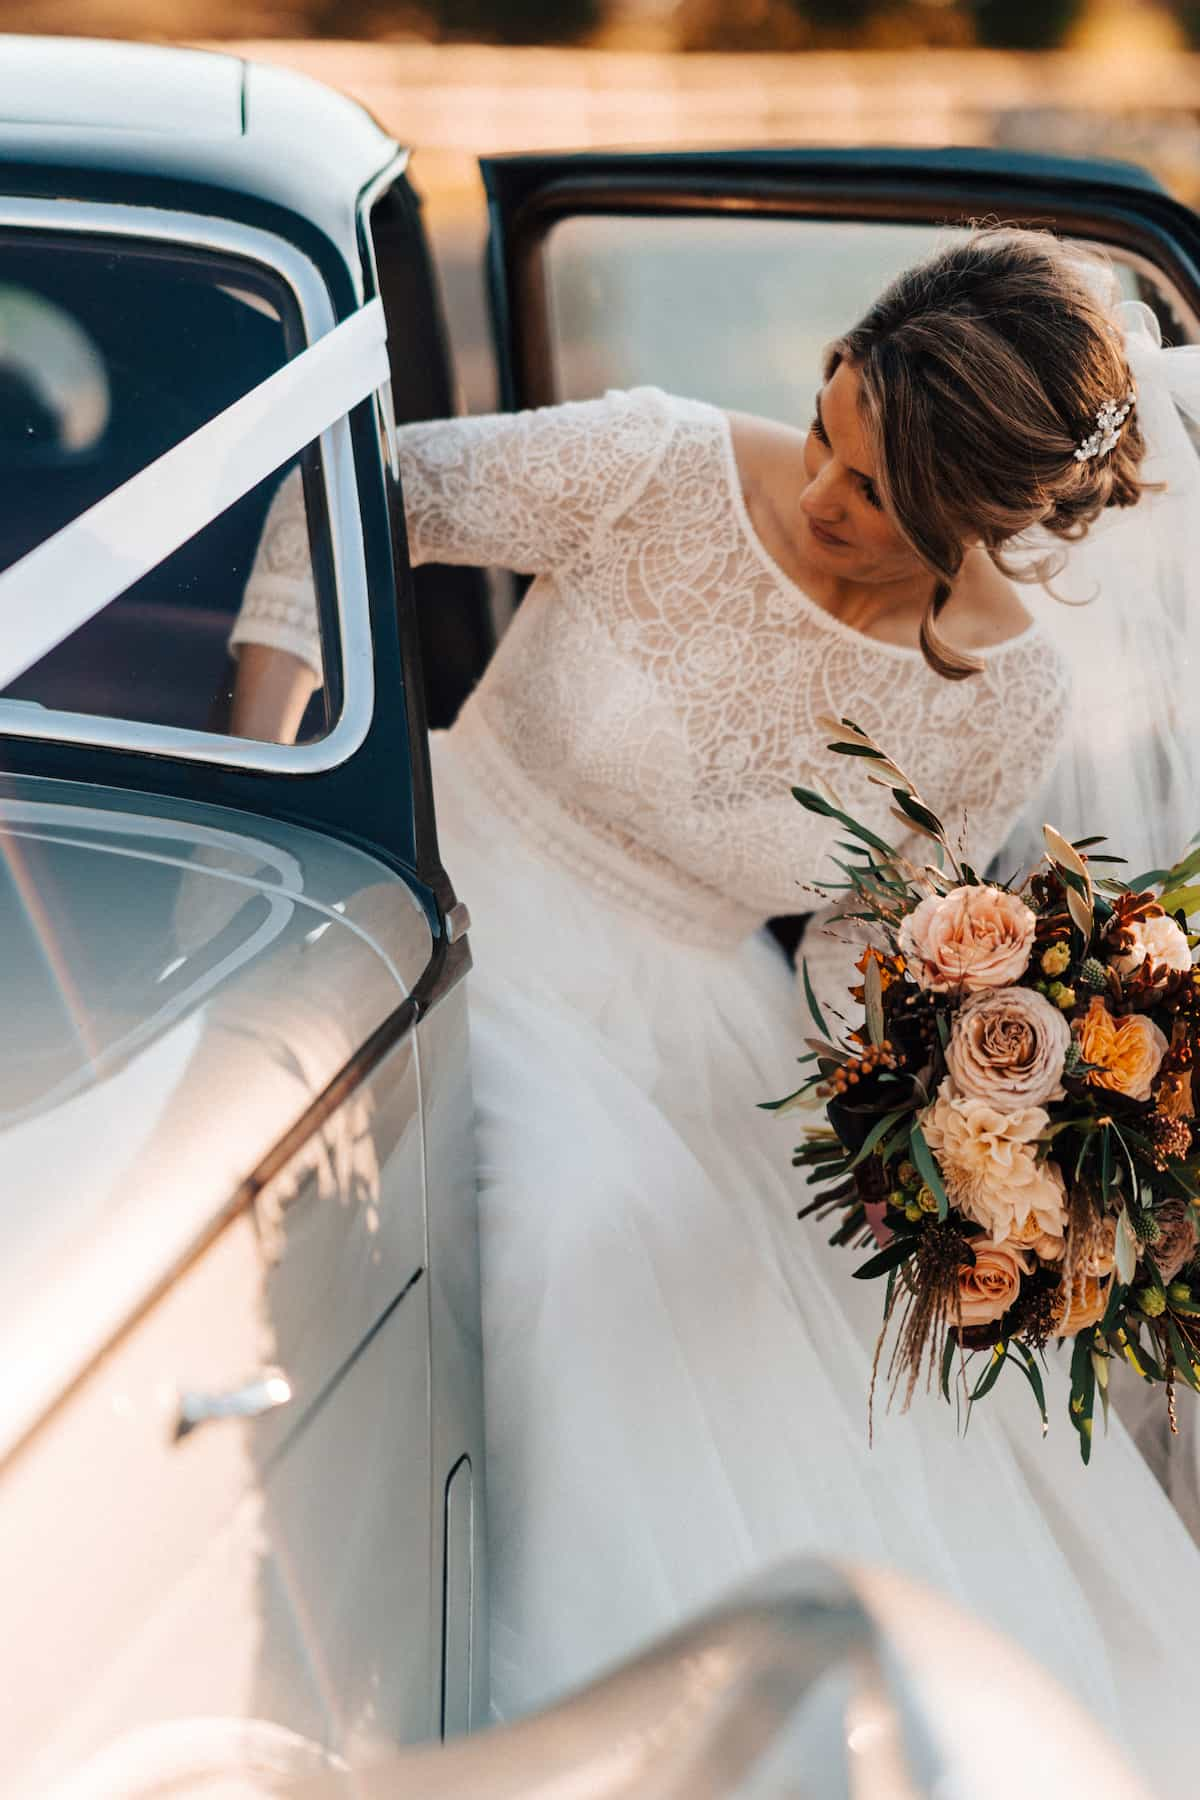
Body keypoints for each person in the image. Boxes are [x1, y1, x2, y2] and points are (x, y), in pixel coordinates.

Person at [229, 225, 1200, 1779]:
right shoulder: (653, 461)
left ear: (981, 524)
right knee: (565, 1224)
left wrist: (932, 1130)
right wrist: (268, 808)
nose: (821, 492)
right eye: (829, 421)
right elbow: (351, 502)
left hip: (703, 1012)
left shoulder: (1009, 702)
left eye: (877, 493)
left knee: (758, 1302)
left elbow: (853, 940)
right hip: (461, 888)